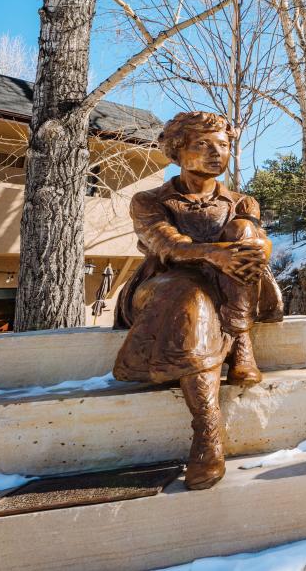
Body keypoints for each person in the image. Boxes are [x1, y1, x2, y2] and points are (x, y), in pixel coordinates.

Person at [113, 112, 283, 490]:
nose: (215, 153)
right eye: (202, 145)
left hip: (226, 291)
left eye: (222, 145)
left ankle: (239, 338)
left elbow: (256, 247)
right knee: (192, 300)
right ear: (177, 150)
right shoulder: (150, 200)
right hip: (164, 287)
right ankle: (207, 433)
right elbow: (167, 245)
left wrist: (256, 246)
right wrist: (215, 254)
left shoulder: (241, 201)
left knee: (245, 232)